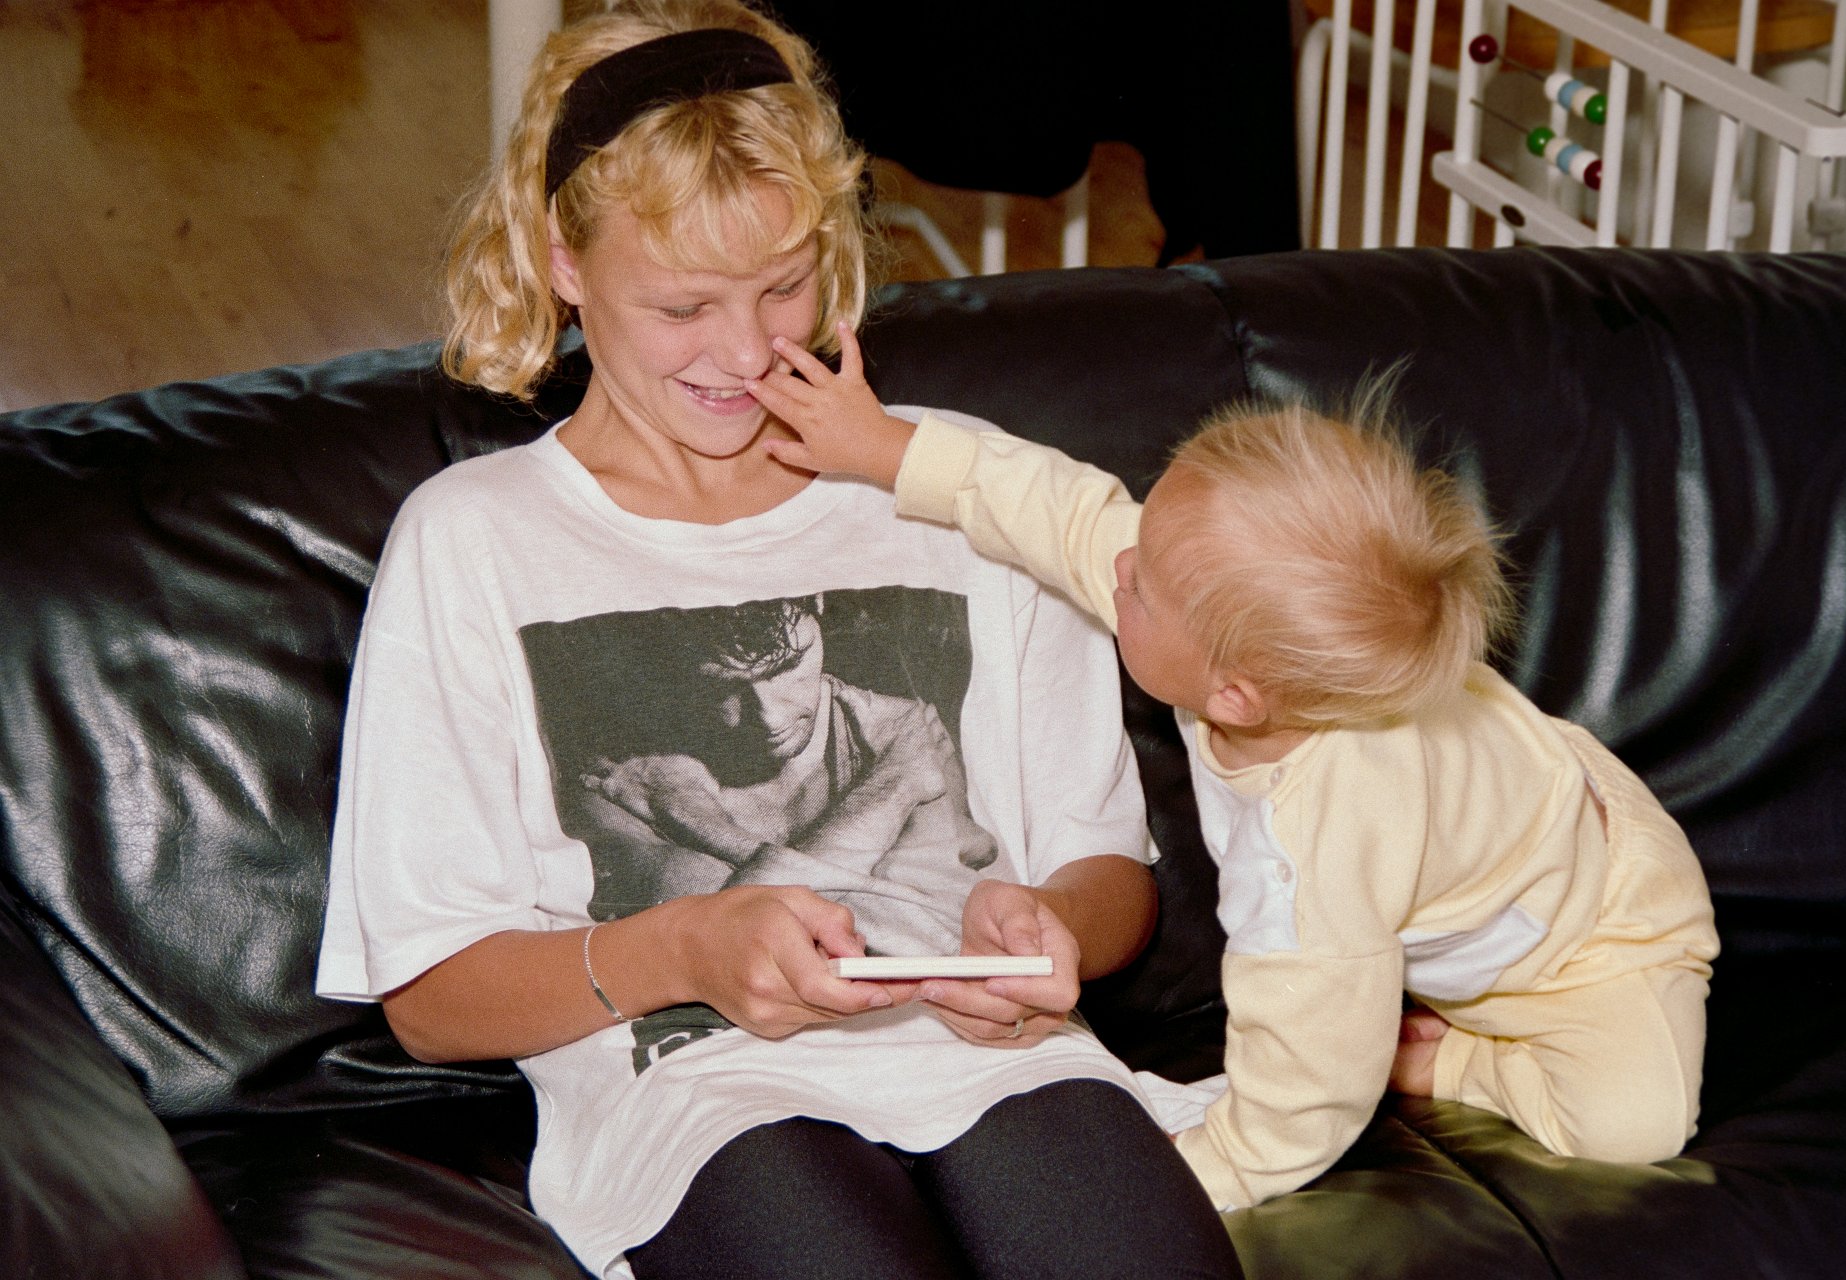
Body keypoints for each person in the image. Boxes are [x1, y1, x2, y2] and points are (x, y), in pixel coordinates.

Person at [313, 3, 1243, 1278]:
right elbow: (429, 999)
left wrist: (1055, 930)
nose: (747, 352)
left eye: (783, 286)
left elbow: (1109, 873)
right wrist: (683, 946)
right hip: (703, 1102)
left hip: (1007, 1063)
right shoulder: (471, 539)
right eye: (683, 304)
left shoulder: (956, 490)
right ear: (564, 263)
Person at [749, 326, 1722, 1212]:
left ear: (1236, 696)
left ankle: (1457, 1061)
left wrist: (1202, 1171)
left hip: (1595, 928)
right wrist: (881, 446)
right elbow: (1060, 509)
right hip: (1501, 835)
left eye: (1142, 585)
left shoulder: (1314, 847)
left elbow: (1306, 1079)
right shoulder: (1215, 618)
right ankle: (1413, 1019)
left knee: (1634, 1124)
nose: (1117, 566)